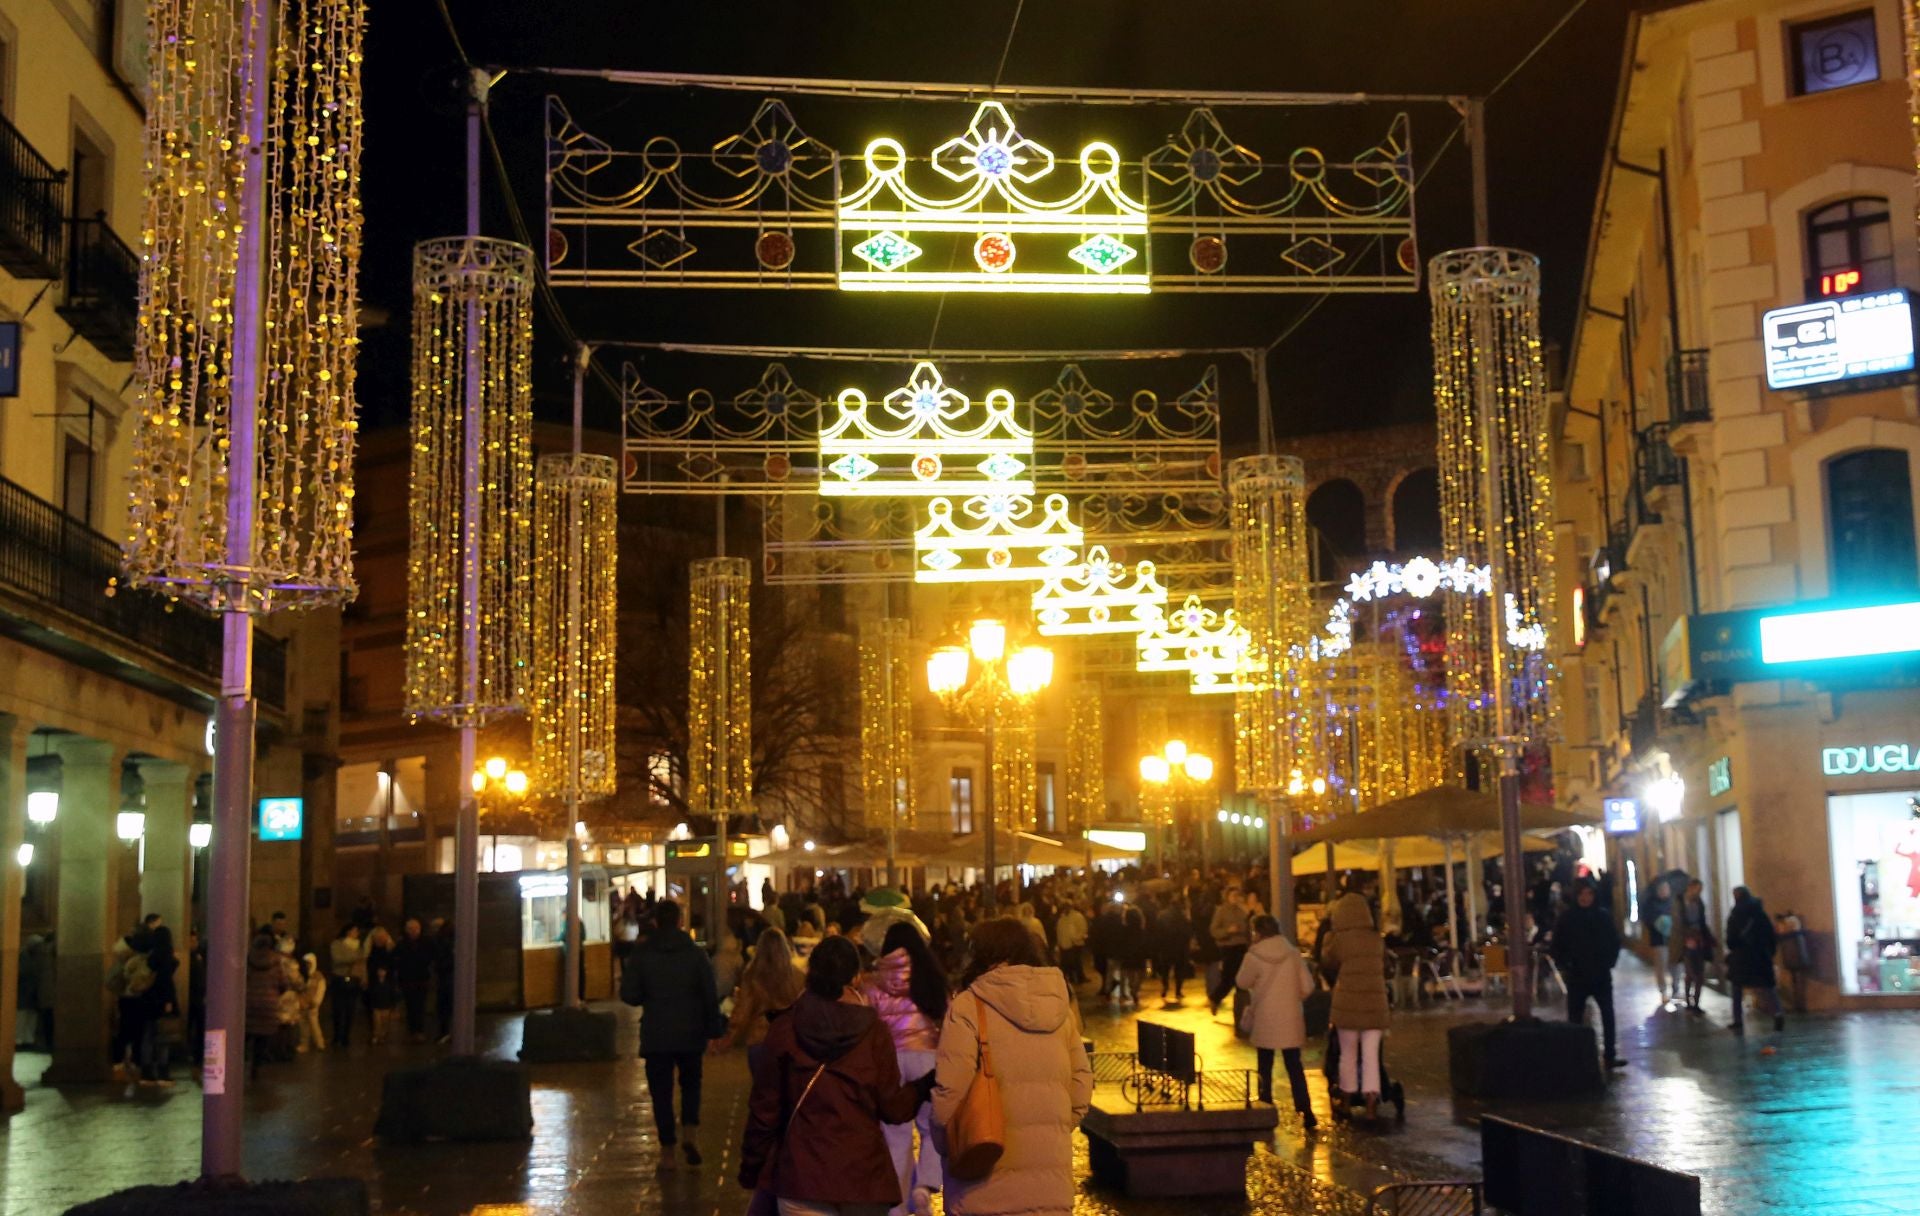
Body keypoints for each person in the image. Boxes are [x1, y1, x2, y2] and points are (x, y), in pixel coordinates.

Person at [739, 936, 927, 1216]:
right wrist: (923, 1086)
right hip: (863, 1179)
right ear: (854, 977)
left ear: (810, 973)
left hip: (803, 1178)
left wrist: (752, 1167)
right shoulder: (874, 1032)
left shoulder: (785, 1029)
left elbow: (765, 1112)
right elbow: (893, 1107)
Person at [933, 918, 1093, 1216]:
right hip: (1050, 1192)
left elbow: (949, 1094)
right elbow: (1082, 1085)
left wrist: (952, 1146)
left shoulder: (969, 1006)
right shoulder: (1059, 1006)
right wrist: (1052, 1129)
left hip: (983, 1186)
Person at [622, 900, 725, 1170]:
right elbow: (709, 995)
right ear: (680, 921)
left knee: (661, 1093)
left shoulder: (643, 953)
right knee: (691, 1084)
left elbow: (629, 994)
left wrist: (650, 994)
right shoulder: (695, 954)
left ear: (656, 921)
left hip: (656, 1033)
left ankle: (667, 1152)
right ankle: (690, 1134)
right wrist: (714, 1030)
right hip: (691, 1032)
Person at [861, 922, 949, 1216]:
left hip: (890, 1061)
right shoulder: (930, 976)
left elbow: (867, 1022)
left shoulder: (873, 981)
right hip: (927, 1058)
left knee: (895, 1134)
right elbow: (946, 1015)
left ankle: (896, 1207)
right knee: (931, 1129)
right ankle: (925, 1185)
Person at [1235, 915, 1316, 1129]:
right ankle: (1306, 1110)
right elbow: (1307, 986)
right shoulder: (1293, 953)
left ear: (1258, 932)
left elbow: (1241, 981)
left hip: (1265, 1017)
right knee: (1294, 1064)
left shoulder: (1254, 955)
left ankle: (1265, 1106)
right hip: (1290, 1016)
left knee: (1265, 1063)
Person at [1318, 892, 1389, 1121]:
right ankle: (1371, 1107)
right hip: (1375, 1004)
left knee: (1347, 1054)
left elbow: (1327, 962)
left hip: (1347, 1004)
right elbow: (1386, 965)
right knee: (1371, 1057)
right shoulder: (1376, 938)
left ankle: (1346, 1102)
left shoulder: (1339, 939)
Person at [1551, 879, 1626, 1068]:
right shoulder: (1567, 918)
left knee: (1608, 1015)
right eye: (1582, 894)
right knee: (1575, 1018)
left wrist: (1609, 962)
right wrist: (1567, 965)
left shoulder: (1603, 917)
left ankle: (1609, 1055)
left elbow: (1614, 941)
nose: (1585, 898)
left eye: (1589, 894)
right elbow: (1557, 946)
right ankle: (1576, 1057)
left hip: (1600, 975)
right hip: (1577, 976)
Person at [721, 928, 806, 1051]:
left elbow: (743, 1010)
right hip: (788, 1037)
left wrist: (728, 1037)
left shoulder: (752, 975)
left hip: (759, 1039)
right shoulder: (798, 976)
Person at [1725, 886, 1784, 1034]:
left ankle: (1737, 1020)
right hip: (1760, 956)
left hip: (1741, 958)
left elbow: (1731, 941)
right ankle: (1778, 1014)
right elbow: (1770, 936)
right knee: (1767, 987)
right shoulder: (1760, 913)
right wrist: (1769, 953)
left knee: (1737, 988)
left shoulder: (1735, 915)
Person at [134, 925, 181, 1086]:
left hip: (148, 1000)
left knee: (147, 1036)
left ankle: (146, 1073)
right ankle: (163, 1072)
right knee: (163, 1038)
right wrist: (168, 1001)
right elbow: (166, 980)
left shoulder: (150, 955)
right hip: (161, 1001)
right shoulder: (165, 956)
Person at [245, 931, 290, 1079]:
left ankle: (240, 1062)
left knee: (246, 1034)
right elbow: (283, 983)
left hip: (249, 1003)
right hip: (269, 1004)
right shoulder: (276, 961)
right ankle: (255, 1068)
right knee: (262, 1038)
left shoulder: (248, 959)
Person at [1672, 880, 1714, 1015]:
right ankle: (1689, 1002)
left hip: (1699, 940)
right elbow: (1678, 924)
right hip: (1686, 942)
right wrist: (1686, 936)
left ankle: (1696, 1002)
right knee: (1691, 974)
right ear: (1690, 888)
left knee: (1699, 974)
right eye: (1697, 889)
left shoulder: (1699, 903)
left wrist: (1708, 937)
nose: (1698, 892)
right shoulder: (1679, 902)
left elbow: (1702, 921)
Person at [1208, 887, 1250, 1016]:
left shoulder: (1242, 911)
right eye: (1232, 895)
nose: (1235, 898)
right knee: (1228, 978)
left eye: (1237, 895)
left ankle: (1241, 1008)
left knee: (1242, 979)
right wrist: (1227, 931)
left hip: (1241, 946)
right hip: (1229, 947)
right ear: (1227, 897)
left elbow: (1247, 927)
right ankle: (1215, 998)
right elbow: (1214, 930)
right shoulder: (1221, 911)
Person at [393, 918, 435, 1043]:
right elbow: (397, 959)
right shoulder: (402, 944)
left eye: (415, 929)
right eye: (410, 929)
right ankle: (413, 1031)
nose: (413, 931)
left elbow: (431, 956)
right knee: (410, 1006)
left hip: (421, 978)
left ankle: (419, 1030)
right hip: (407, 979)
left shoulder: (426, 942)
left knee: (420, 1005)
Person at [329, 924, 367, 1048]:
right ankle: (337, 1036)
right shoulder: (337, 944)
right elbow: (337, 959)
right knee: (338, 1009)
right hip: (339, 979)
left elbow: (363, 962)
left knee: (350, 1009)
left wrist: (363, 977)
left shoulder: (359, 946)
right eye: (354, 931)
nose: (356, 933)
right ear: (348, 931)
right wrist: (355, 958)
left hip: (353, 979)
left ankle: (346, 1036)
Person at [1152, 895, 1193, 1003]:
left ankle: (1165, 986)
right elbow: (1188, 932)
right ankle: (1178, 991)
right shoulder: (1182, 916)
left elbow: (1157, 931)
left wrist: (1159, 945)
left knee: (1165, 970)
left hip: (1166, 947)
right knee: (1179, 970)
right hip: (1180, 947)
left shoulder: (1162, 915)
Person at [1642, 878, 1675, 1007]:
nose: (1665, 891)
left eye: (1667, 888)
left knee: (1675, 965)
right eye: (1662, 889)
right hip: (1658, 940)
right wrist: (1658, 922)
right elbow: (1648, 920)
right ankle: (1663, 991)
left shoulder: (1673, 903)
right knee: (1661, 966)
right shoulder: (1651, 904)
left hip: (1673, 940)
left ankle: (1675, 989)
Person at [1110, 897, 1148, 1007]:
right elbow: (1145, 942)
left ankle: (1133, 989)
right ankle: (1135, 990)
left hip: (1128, 955)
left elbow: (1120, 942)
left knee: (1131, 974)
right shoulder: (1141, 930)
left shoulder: (1124, 929)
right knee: (1142, 974)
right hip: (1139, 954)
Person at [365, 926, 399, 1044]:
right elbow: (368, 964)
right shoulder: (370, 951)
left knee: (386, 1009)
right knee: (375, 1009)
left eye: (382, 938)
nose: (380, 940)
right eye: (377, 938)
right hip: (374, 981)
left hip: (388, 981)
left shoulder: (391, 949)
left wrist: (386, 971)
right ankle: (375, 1032)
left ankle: (383, 1033)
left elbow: (394, 963)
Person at [297, 952, 327, 1053]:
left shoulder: (318, 976)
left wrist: (316, 1002)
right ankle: (304, 1044)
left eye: (309, 963)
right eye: (306, 963)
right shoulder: (303, 975)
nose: (307, 965)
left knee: (314, 1024)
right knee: (303, 1026)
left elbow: (321, 990)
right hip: (303, 1003)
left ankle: (320, 1043)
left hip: (312, 1004)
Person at [432, 919, 457, 1043]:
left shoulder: (442, 940)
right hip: (446, 974)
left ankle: (446, 1031)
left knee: (445, 1005)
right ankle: (447, 1031)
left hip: (446, 974)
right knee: (446, 1005)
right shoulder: (447, 939)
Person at [1053, 900, 1088, 987]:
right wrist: (1059, 942)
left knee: (1076, 961)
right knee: (1069, 962)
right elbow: (1059, 931)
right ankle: (1072, 978)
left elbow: (1083, 929)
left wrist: (1076, 938)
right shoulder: (1062, 918)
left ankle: (1078, 978)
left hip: (1075, 944)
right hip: (1065, 944)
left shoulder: (1077, 916)